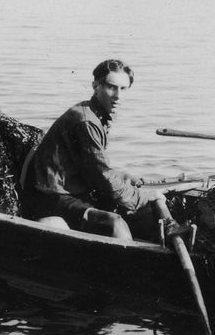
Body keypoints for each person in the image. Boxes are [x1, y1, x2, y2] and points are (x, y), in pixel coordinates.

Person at [19, 59, 172, 241]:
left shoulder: (98, 114)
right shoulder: (86, 121)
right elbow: (101, 176)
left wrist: (124, 178)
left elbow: (94, 168)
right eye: (111, 87)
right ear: (95, 85)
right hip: (50, 195)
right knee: (115, 223)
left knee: (138, 214)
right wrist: (142, 197)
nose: (117, 96)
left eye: (123, 89)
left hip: (71, 189)